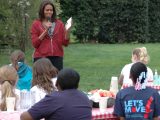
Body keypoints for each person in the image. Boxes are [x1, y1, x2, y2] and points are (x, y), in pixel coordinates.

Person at [20, 68, 92, 120]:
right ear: (77, 84)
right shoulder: (84, 97)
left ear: (57, 84)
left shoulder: (54, 98)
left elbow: (25, 117)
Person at [31, 0, 72, 71]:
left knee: (56, 80)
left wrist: (68, 31)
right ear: (42, 10)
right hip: (41, 58)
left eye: (51, 10)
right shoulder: (36, 24)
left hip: (57, 57)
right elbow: (35, 44)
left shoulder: (59, 24)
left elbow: (65, 43)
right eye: (47, 10)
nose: (49, 12)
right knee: (41, 80)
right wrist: (45, 31)